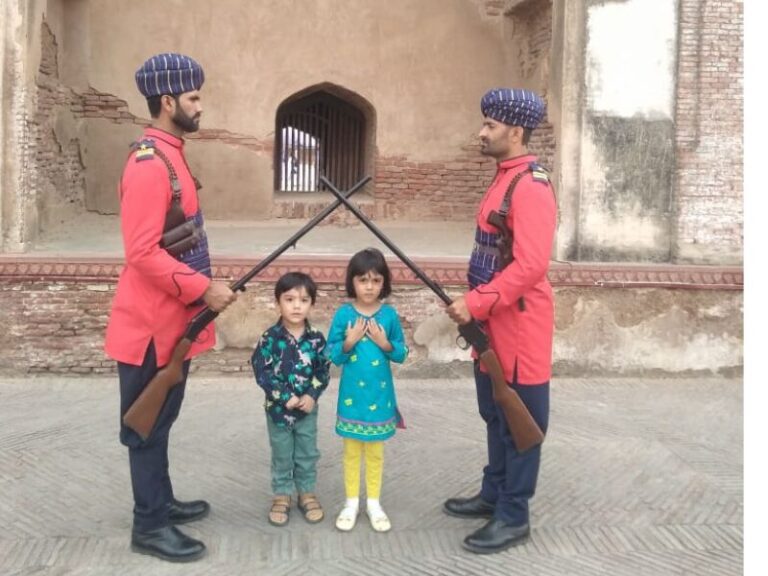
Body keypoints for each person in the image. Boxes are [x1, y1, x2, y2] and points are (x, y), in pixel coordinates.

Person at [104, 53, 237, 563]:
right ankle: (150, 526)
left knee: (162, 420)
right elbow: (141, 253)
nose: (201, 106)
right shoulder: (148, 163)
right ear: (168, 102)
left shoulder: (171, 152)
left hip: (170, 322)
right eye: (194, 97)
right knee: (146, 426)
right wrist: (201, 289)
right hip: (148, 329)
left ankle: (162, 501)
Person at [443, 88, 557, 554]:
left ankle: (514, 515)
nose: (481, 132)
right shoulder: (503, 178)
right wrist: (476, 303)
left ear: (516, 131)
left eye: (490, 125)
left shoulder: (530, 185)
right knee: (494, 412)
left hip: (519, 326)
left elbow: (531, 265)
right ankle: (493, 494)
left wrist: (479, 301)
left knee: (520, 419)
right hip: (491, 321)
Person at [326, 248, 409, 533]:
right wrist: (348, 342)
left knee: (375, 453)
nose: (369, 287)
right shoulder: (343, 315)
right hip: (352, 399)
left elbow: (401, 353)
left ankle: (374, 502)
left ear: (384, 282)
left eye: (376, 280)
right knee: (351, 452)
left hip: (380, 397)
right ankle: (351, 503)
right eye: (363, 280)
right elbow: (332, 354)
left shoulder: (389, 316)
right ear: (352, 282)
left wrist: (385, 344)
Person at [251, 272, 331, 527]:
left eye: (304, 300)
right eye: (289, 299)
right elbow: (261, 372)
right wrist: (284, 397)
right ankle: (281, 495)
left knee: (307, 452)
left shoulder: (317, 339)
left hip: (307, 410)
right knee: (282, 453)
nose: (297, 306)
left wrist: (311, 395)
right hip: (278, 411)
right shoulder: (269, 339)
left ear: (312, 304)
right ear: (278, 302)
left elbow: (323, 370)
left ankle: (306, 492)